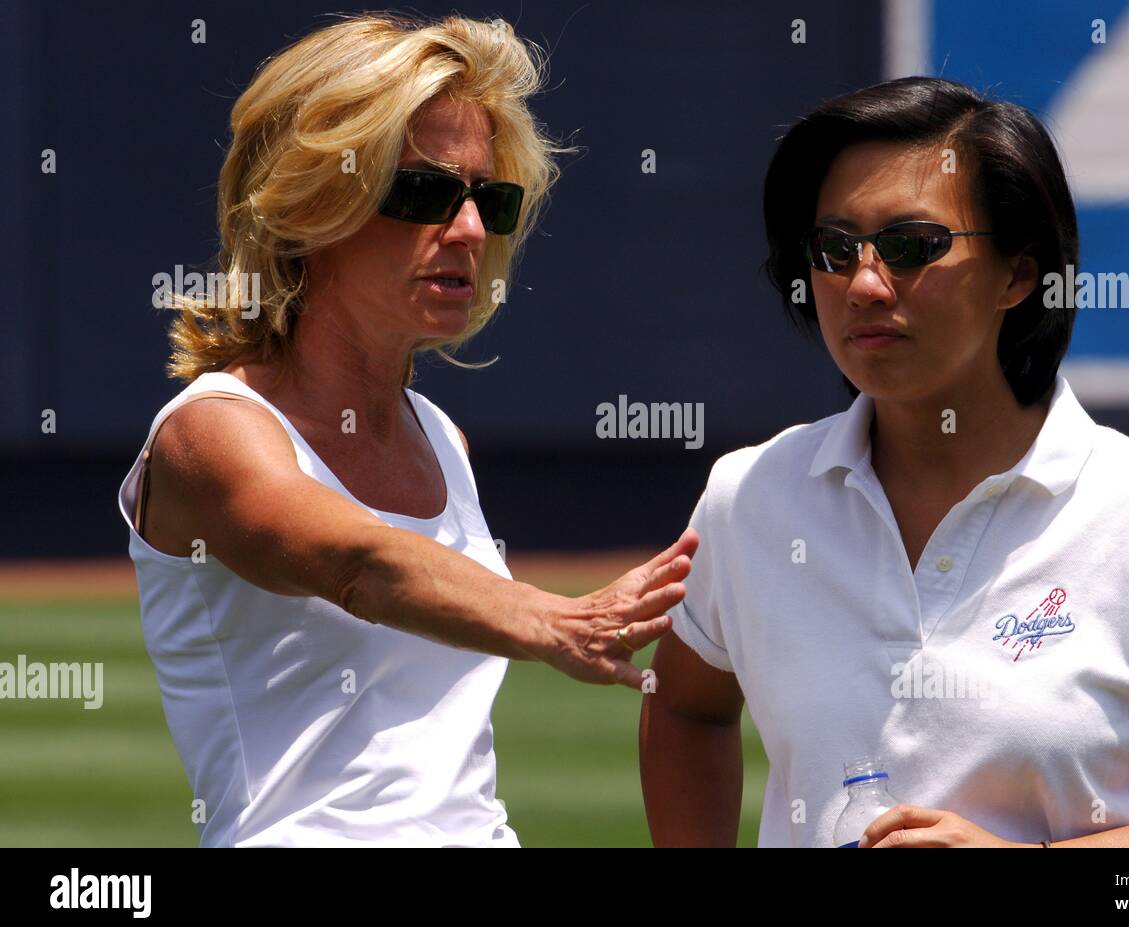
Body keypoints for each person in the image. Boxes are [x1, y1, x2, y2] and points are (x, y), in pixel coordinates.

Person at [640, 77, 1129, 848]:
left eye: (911, 247)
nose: (863, 284)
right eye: (834, 248)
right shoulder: (750, 495)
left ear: (1020, 275)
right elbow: (685, 706)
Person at [117, 13, 697, 847]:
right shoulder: (210, 431)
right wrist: (552, 619)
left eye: (488, 199)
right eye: (423, 192)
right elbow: (362, 566)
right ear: (309, 204)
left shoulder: (441, 438)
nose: (466, 229)